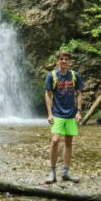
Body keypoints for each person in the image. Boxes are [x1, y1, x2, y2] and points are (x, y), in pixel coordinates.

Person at [43, 50, 84, 184]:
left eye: (66, 59)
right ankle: (52, 171)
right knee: (55, 141)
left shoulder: (74, 75)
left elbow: (79, 94)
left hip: (71, 114)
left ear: (69, 61)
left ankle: (66, 172)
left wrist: (78, 111)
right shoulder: (52, 76)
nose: (64, 61)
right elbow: (48, 95)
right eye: (61, 59)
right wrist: (49, 113)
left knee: (68, 143)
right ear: (57, 61)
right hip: (57, 114)